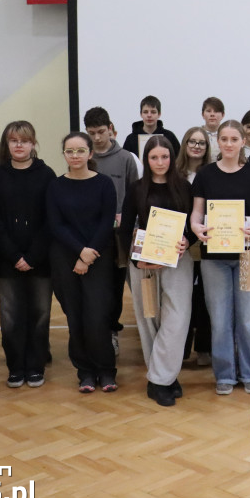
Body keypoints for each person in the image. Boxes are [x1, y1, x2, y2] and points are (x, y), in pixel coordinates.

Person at [190, 120, 250, 395]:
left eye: (233, 139)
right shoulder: (205, 175)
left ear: (242, 142)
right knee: (220, 320)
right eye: (223, 139)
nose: (228, 144)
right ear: (218, 142)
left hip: (249, 255)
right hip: (214, 258)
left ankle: (249, 372)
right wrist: (196, 227)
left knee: (248, 319)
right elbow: (196, 213)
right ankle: (224, 375)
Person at [120, 136, 195, 406]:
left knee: (176, 320)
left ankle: (161, 376)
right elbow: (126, 227)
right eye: (154, 157)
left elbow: (192, 227)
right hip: (144, 264)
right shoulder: (137, 189)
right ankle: (162, 378)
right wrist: (136, 260)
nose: (160, 162)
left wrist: (189, 241)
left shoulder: (184, 188)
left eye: (165, 157)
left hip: (177, 261)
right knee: (149, 319)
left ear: (172, 158)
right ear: (147, 160)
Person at [47, 132, 118, 393]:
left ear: (90, 153)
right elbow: (56, 224)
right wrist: (79, 252)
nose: (75, 155)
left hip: (98, 258)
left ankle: (107, 370)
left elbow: (106, 221)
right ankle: (85, 372)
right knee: (75, 317)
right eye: (70, 151)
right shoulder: (55, 186)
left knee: (97, 317)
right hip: (65, 258)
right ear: (64, 155)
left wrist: (88, 254)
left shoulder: (104, 184)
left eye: (80, 151)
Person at [0, 121, 56, 388]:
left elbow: (51, 220)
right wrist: (14, 255)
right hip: (8, 260)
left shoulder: (47, 174)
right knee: (10, 316)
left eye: (24, 140)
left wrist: (32, 256)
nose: (19, 145)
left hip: (40, 260)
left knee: (40, 314)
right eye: (13, 140)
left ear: (33, 144)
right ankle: (16, 367)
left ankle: (35, 366)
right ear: (7, 145)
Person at [84, 106, 141, 355]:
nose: (97, 137)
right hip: (89, 237)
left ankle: (112, 332)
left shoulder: (126, 158)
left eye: (100, 131)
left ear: (110, 129)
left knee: (116, 288)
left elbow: (134, 196)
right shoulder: (84, 157)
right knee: (95, 289)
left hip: (118, 238)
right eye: (91, 132)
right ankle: (93, 333)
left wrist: (125, 220)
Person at [176, 126, 213, 367]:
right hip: (179, 245)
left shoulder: (212, 173)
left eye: (201, 143)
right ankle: (180, 350)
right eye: (192, 141)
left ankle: (204, 348)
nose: (196, 146)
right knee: (182, 299)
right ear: (185, 144)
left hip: (207, 243)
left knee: (204, 299)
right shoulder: (174, 174)